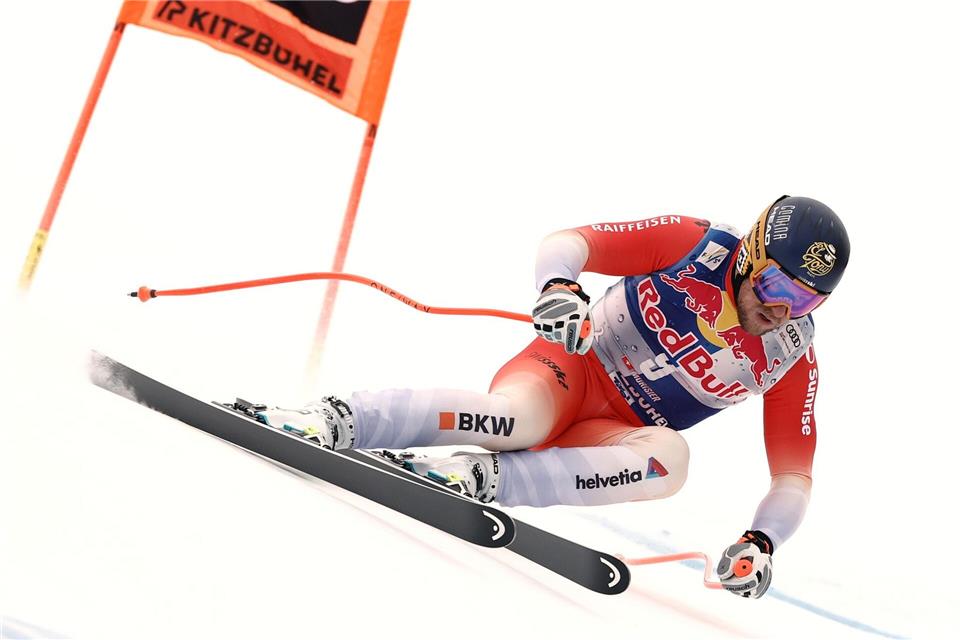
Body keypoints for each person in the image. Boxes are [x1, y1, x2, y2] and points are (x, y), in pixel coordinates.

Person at [259, 195, 850, 599]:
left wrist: (761, 542)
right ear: (749, 256)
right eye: (776, 286)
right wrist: (560, 288)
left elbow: (794, 478)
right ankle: (334, 422)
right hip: (569, 372)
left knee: (669, 462)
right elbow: (570, 243)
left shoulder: (789, 352)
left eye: (804, 302)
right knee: (515, 420)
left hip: (613, 433)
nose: (779, 311)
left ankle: (478, 480)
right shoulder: (697, 245)